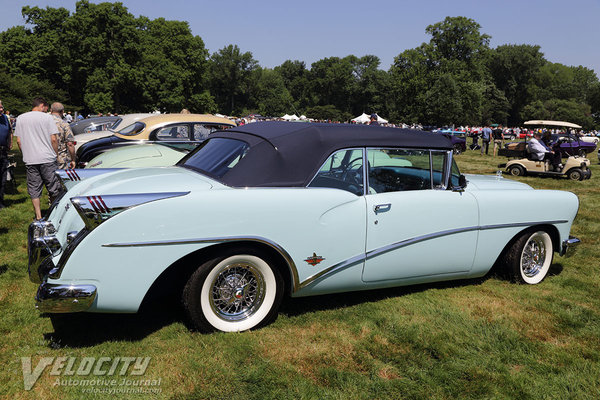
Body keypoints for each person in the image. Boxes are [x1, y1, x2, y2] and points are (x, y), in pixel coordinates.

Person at [14, 97, 62, 220]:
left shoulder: (21, 118)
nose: (46, 111)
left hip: (30, 159)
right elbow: (53, 139)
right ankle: (54, 214)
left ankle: (38, 215)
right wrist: (55, 154)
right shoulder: (47, 118)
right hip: (47, 158)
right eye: (46, 108)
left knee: (34, 188)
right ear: (42, 105)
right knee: (53, 187)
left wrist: (25, 153)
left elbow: (19, 141)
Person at [50, 102, 76, 169]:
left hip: (45, 158)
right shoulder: (64, 124)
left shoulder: (43, 122)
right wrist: (73, 160)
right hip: (60, 159)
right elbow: (70, 144)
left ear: (51, 110)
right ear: (62, 111)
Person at [0, 100, 13, 209]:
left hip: (3, 151)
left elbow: (9, 132)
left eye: (2, 107)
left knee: (3, 177)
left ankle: (1, 201)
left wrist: (10, 143)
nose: (1, 109)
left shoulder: (5, 118)